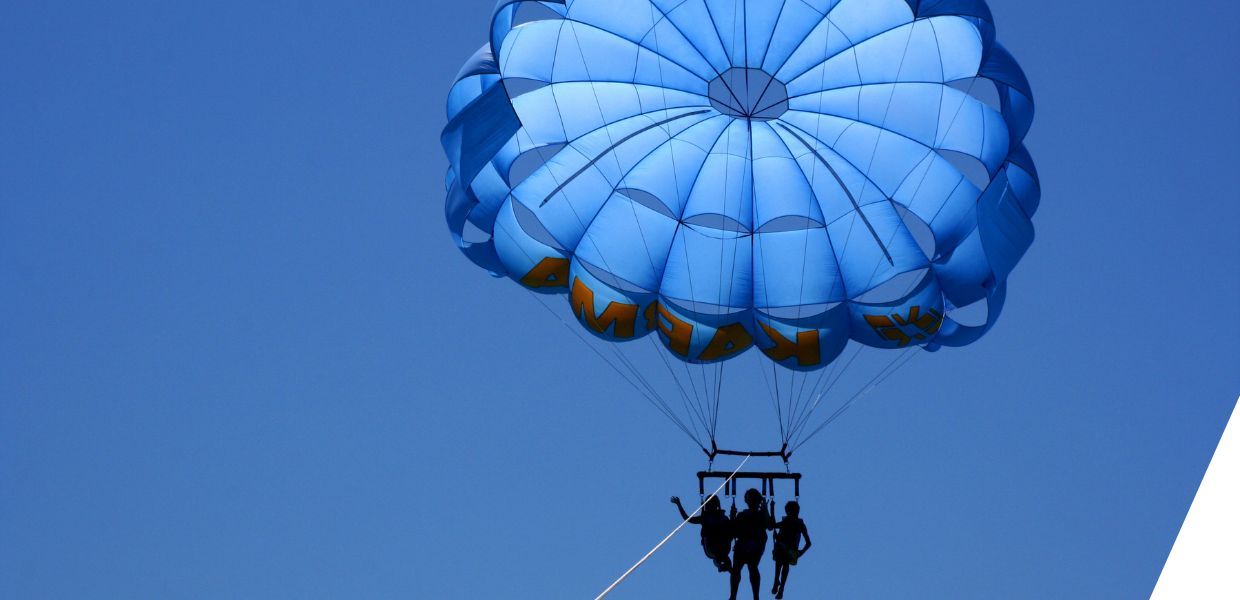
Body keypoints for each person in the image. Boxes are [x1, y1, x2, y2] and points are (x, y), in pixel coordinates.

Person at [729, 489, 775, 600]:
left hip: (755, 545)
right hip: (743, 544)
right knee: (737, 569)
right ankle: (734, 595)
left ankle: (755, 596)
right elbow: (733, 531)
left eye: (753, 500)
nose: (751, 502)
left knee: (752, 567)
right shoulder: (742, 515)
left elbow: (770, 526)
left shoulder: (761, 515)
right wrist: (732, 517)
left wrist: (767, 510)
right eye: (750, 500)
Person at [671, 495, 733, 572]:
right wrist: (679, 505)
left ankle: (727, 567)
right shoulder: (706, 518)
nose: (711, 506)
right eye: (710, 504)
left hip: (720, 546)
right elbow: (688, 519)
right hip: (713, 546)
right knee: (719, 554)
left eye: (712, 504)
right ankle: (725, 566)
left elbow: (732, 529)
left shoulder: (722, 518)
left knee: (721, 552)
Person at [770, 501, 812, 599]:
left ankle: (781, 588)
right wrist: (772, 509)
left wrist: (801, 552)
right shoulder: (785, 522)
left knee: (784, 562)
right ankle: (776, 581)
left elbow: (808, 543)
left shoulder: (800, 525)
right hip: (781, 548)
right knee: (780, 557)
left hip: (791, 551)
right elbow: (773, 526)